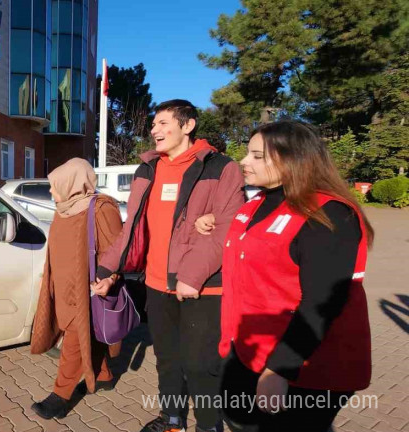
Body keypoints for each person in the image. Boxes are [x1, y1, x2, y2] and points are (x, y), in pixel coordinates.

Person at [193, 121, 374, 432]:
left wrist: (280, 370)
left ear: (294, 159)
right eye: (247, 154)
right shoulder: (255, 205)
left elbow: (321, 302)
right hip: (249, 350)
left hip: (304, 366)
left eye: (257, 156)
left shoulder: (328, 214)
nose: (244, 162)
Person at [93, 100, 245, 432]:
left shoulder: (221, 167)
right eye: (153, 124)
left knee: (201, 365)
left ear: (188, 125)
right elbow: (132, 227)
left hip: (203, 287)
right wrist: (108, 271)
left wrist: (191, 277)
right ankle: (172, 418)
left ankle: (209, 424)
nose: (154, 130)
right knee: (167, 359)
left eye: (163, 123)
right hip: (157, 285)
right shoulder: (147, 169)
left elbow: (229, 228)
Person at [29, 158, 123, 419]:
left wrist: (110, 279)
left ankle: (60, 396)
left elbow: (115, 250)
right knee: (88, 336)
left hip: (88, 291)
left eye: (54, 185)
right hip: (63, 288)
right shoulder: (64, 209)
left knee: (75, 338)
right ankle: (103, 376)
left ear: (72, 183)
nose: (50, 191)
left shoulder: (101, 208)